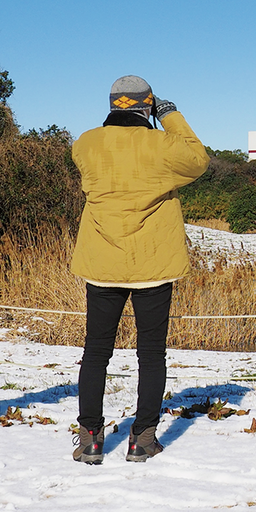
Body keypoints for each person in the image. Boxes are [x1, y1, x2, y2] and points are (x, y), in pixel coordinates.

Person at [70, 75, 209, 464]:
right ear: (148, 106)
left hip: (101, 263)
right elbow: (198, 160)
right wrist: (170, 116)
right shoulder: (163, 145)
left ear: (112, 105)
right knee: (151, 354)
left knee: (96, 352)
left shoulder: (85, 143)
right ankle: (143, 439)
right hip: (153, 263)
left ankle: (90, 440)